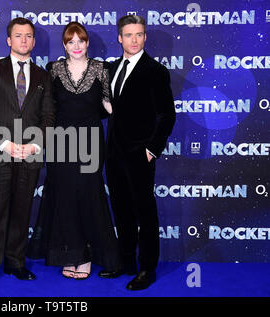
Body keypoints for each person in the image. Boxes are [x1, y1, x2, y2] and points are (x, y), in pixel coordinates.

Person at [27, 22, 121, 280]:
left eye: (81, 40)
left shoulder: (102, 69)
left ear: (87, 43)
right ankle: (71, 255)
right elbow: (47, 106)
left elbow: (108, 104)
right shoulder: (53, 69)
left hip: (90, 141)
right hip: (60, 141)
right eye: (71, 42)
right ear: (65, 45)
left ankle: (90, 256)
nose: (76, 46)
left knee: (89, 196)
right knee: (65, 198)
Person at [0, 17, 55, 290]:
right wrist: (5, 143)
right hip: (0, 152)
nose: (24, 40)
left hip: (31, 154)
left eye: (28, 36)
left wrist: (34, 145)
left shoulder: (44, 76)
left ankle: (15, 262)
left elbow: (48, 116)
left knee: (22, 211)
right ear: (9, 40)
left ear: (34, 41)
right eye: (18, 35)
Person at [102, 15, 176, 290]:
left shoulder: (155, 71)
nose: (135, 40)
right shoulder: (110, 69)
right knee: (121, 210)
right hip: (113, 154)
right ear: (119, 38)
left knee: (144, 212)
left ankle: (147, 268)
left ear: (145, 37)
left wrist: (151, 150)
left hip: (139, 154)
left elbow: (167, 115)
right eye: (129, 35)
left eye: (139, 34)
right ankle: (126, 262)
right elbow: (108, 110)